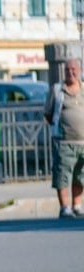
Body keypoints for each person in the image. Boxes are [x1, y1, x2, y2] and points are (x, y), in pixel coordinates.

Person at [44, 57, 84, 218]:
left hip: (82, 141)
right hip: (64, 141)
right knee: (62, 175)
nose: (70, 73)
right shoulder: (57, 90)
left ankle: (77, 205)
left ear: (79, 71)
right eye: (67, 70)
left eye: (73, 69)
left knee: (80, 176)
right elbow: (48, 114)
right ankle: (64, 207)